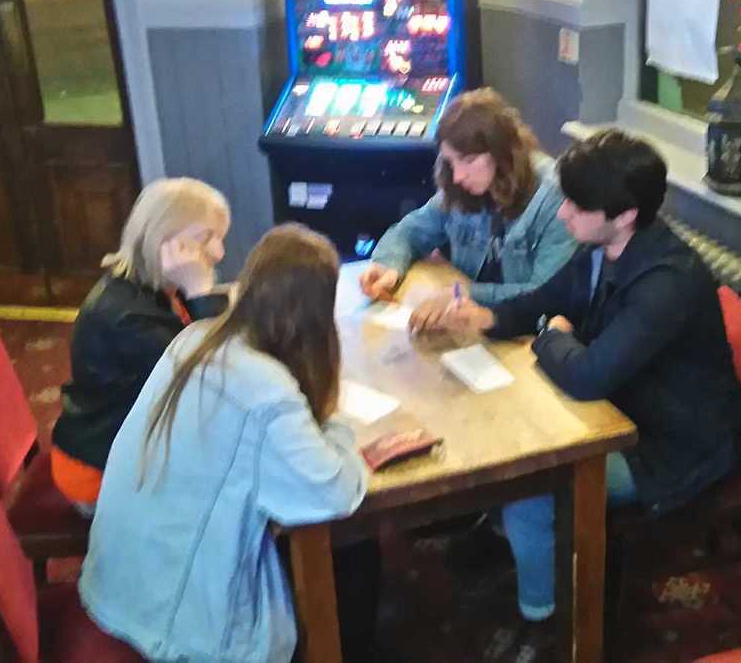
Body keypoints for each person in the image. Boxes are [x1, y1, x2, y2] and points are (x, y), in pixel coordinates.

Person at [410, 129, 741, 624]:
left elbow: (588, 376)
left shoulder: (667, 282)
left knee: (530, 481)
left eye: (577, 205)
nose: (564, 213)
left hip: (670, 448)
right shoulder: (601, 247)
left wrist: (549, 336)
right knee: (507, 430)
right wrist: (489, 317)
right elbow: (545, 301)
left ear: (625, 215)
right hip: (622, 408)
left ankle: (549, 622)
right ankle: (519, 550)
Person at [80, 224, 376, 663]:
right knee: (356, 551)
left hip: (117, 582)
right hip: (179, 632)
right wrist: (337, 426)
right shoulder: (267, 391)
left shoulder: (193, 340)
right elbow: (335, 492)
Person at [50, 178, 232, 514]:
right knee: (235, 496)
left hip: (138, 444)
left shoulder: (151, 285)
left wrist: (202, 295)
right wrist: (201, 290)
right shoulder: (127, 317)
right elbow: (214, 381)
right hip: (101, 473)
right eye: (206, 238)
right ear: (164, 239)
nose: (219, 252)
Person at [359, 87, 576, 308]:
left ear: (502, 151)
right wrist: (388, 267)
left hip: (525, 325)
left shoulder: (554, 195)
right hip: (467, 316)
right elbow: (409, 232)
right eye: (451, 161)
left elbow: (545, 295)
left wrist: (466, 293)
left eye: (469, 160)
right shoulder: (462, 185)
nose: (458, 176)